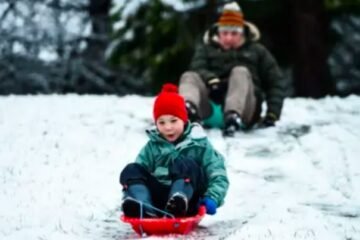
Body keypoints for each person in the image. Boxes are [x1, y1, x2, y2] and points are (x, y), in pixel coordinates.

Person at [119, 83, 229, 218]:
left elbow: (217, 172)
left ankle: (179, 201)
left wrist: (213, 197)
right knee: (132, 169)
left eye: (173, 121)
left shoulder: (199, 143)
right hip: (160, 201)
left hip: (190, 197)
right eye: (162, 122)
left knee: (185, 163)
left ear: (184, 120)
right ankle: (143, 205)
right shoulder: (152, 146)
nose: (168, 127)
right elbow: (140, 174)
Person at [179, 1, 286, 137]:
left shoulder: (257, 51)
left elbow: (275, 82)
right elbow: (197, 67)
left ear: (242, 33)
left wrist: (272, 113)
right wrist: (211, 80)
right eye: (225, 33)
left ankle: (233, 116)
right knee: (189, 76)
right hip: (211, 107)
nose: (229, 38)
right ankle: (187, 111)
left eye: (234, 33)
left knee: (240, 71)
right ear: (218, 31)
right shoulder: (206, 49)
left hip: (246, 109)